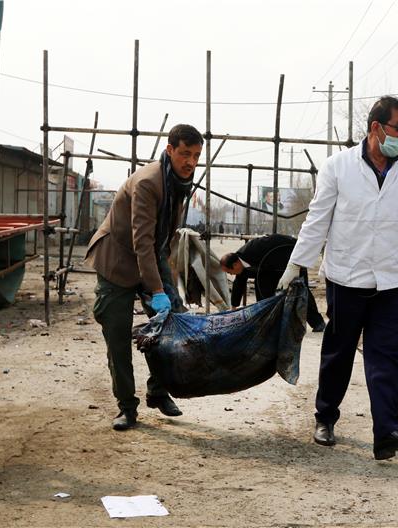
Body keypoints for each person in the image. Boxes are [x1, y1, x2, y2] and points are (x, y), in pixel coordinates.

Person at [276, 96, 398, 460]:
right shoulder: (338, 167)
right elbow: (317, 220)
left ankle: (386, 432)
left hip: (393, 282)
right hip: (347, 279)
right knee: (338, 354)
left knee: (387, 357)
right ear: (376, 128)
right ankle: (325, 417)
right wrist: (295, 265)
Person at [85, 124, 203, 431]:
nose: (190, 161)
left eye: (196, 155)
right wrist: (156, 289)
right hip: (118, 260)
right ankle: (127, 407)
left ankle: (158, 390)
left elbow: (165, 239)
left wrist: (169, 285)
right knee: (118, 334)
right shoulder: (149, 182)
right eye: (185, 154)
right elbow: (142, 241)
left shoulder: (178, 181)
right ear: (170, 150)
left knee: (170, 326)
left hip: (152, 256)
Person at [219, 234, 326, 332]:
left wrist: (297, 260)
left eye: (229, 272)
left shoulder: (254, 248)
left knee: (301, 290)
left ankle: (318, 323)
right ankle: (267, 322)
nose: (231, 275)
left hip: (290, 258)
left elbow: (280, 241)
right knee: (262, 290)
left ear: (235, 264)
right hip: (269, 270)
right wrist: (234, 307)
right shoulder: (240, 264)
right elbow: (239, 283)